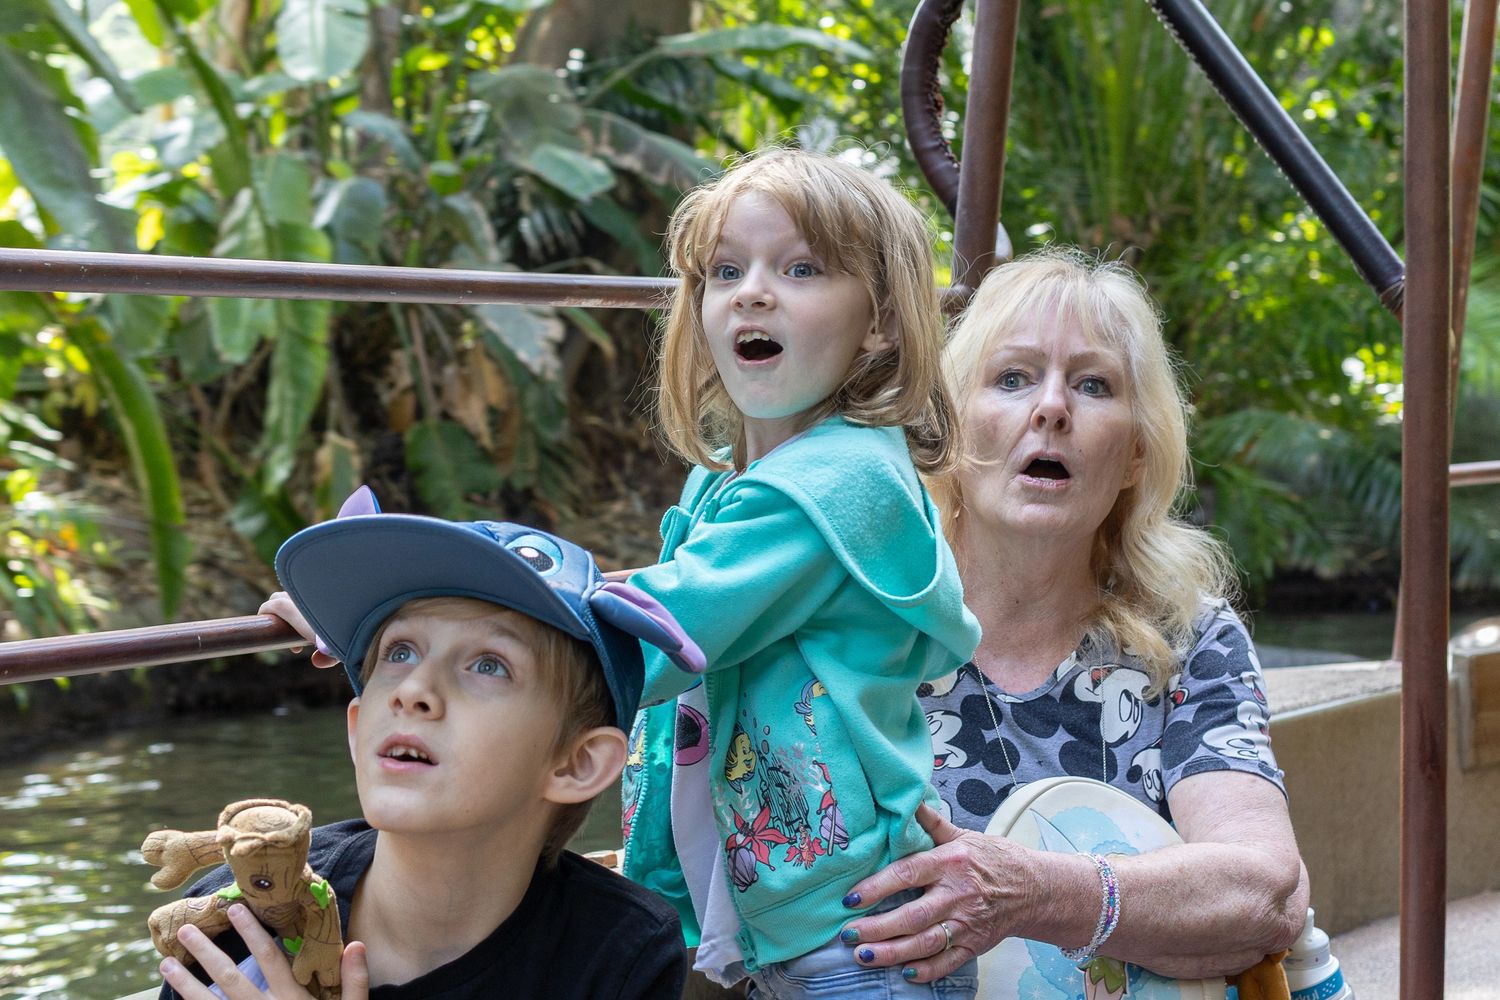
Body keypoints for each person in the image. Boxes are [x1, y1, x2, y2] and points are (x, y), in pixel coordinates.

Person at [835, 249, 1310, 991]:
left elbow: (1266, 892)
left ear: (1134, 454)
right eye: (1013, 378)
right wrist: (1152, 914)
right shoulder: (856, 618)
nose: (1052, 407)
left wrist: (1035, 894)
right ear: (950, 431)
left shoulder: (1190, 636)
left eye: (1093, 385)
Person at [617, 147, 983, 999]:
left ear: (882, 322)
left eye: (802, 268)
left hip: (862, 944)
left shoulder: (832, 484)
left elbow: (656, 633)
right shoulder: (723, 482)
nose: (752, 291)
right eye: (726, 270)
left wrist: (427, 607)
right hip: (791, 929)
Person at [166, 487, 698, 1000]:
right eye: (400, 652)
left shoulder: (618, 952)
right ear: (357, 728)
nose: (415, 691)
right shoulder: (241, 908)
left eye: (489, 665)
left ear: (577, 763)